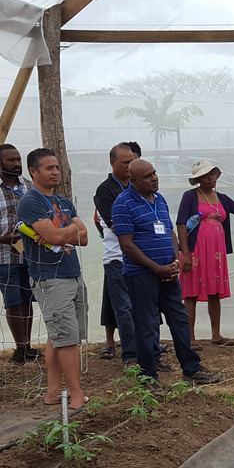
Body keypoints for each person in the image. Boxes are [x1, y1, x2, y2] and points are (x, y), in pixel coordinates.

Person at [110, 158, 220, 386]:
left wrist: (175, 261)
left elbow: (169, 231)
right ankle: (148, 377)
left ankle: (191, 368)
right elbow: (127, 245)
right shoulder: (123, 204)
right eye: (148, 176)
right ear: (134, 180)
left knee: (179, 319)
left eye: (154, 173)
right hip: (141, 275)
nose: (154, 178)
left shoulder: (159, 199)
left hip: (168, 272)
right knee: (147, 325)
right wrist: (156, 268)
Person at [18, 147, 89, 412]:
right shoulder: (31, 202)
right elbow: (61, 237)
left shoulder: (64, 201)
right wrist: (68, 230)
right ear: (33, 172)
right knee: (66, 338)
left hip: (72, 273)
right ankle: (76, 394)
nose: (55, 172)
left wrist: (62, 232)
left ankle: (52, 391)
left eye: (57, 167)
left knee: (59, 335)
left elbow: (85, 237)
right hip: (50, 277)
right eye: (49, 168)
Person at [176, 160, 234, 347]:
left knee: (214, 291)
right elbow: (181, 223)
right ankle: (189, 338)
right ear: (198, 179)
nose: (210, 177)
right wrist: (186, 253)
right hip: (195, 250)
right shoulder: (190, 197)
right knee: (191, 293)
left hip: (215, 253)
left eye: (212, 173)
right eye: (206, 175)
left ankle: (216, 334)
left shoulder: (221, 198)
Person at [0, 143, 40, 364]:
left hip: (30, 252)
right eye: (11, 160)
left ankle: (28, 346)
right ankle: (20, 347)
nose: (16, 164)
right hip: (5, 256)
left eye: (18, 159)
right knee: (13, 301)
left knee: (28, 299)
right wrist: (2, 239)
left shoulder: (29, 186)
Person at [93, 142, 141, 365]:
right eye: (125, 162)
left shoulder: (138, 185)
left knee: (143, 307)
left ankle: (147, 349)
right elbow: (117, 225)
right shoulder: (105, 190)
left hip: (142, 256)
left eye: (133, 161)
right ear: (112, 163)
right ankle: (130, 355)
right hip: (117, 258)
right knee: (123, 308)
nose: (130, 166)